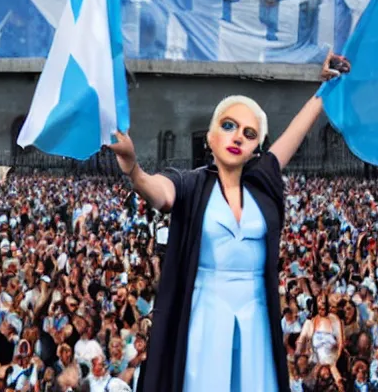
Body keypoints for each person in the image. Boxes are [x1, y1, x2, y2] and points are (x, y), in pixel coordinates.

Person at [110, 52, 349, 392]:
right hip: (206, 313)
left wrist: (323, 90)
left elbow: (293, 135)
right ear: (210, 137)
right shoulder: (191, 184)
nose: (237, 136)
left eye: (249, 133)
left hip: (256, 316)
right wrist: (133, 167)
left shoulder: (263, 183)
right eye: (228, 126)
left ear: (256, 148)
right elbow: (160, 194)